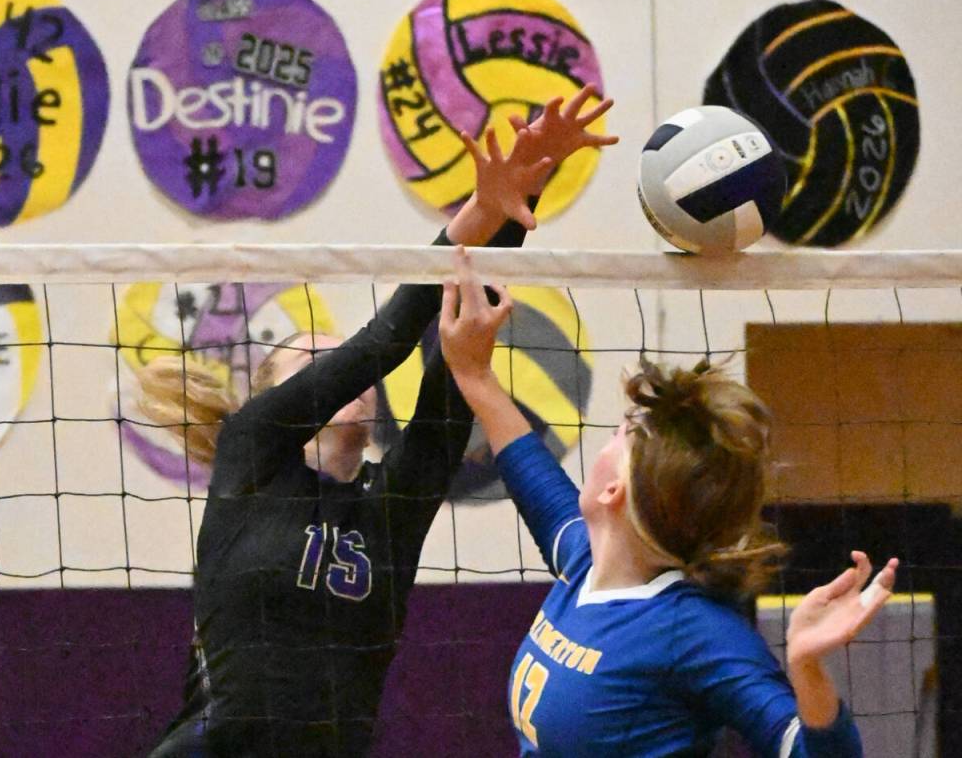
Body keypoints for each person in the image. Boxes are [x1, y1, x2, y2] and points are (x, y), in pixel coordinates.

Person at [142, 87, 619, 757]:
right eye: (310, 362)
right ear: (280, 397)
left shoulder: (387, 512)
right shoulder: (252, 455)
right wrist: (483, 207)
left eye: (332, 358)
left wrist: (521, 195)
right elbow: (387, 338)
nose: (336, 370)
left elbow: (456, 373)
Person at [438, 248, 898, 757]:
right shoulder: (585, 564)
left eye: (616, 437)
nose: (605, 444)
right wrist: (474, 373)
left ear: (614, 491)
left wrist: (807, 669)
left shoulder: (691, 631)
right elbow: (532, 473)